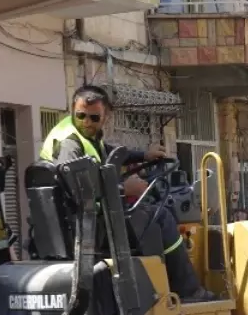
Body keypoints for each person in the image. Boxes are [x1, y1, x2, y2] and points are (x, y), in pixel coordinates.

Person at [41, 85, 215, 302]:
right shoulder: (69, 144)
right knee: (160, 216)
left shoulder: (81, 135)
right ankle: (188, 290)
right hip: (88, 225)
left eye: (93, 118)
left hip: (85, 219)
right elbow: (77, 190)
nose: (86, 122)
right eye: (81, 116)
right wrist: (123, 189)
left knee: (149, 213)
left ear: (106, 116)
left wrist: (144, 155)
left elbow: (107, 153)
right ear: (72, 110)